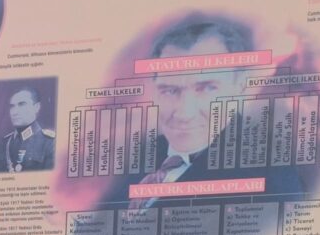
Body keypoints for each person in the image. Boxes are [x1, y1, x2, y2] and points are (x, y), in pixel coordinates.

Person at [94, 13, 306, 207]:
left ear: (239, 87)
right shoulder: (137, 156)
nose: (184, 113)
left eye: (206, 89)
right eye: (170, 91)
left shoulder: (272, 179)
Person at [0, 83, 56, 172]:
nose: (14, 112)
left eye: (22, 104)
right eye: (12, 106)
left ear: (36, 107)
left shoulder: (50, 143)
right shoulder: (5, 144)